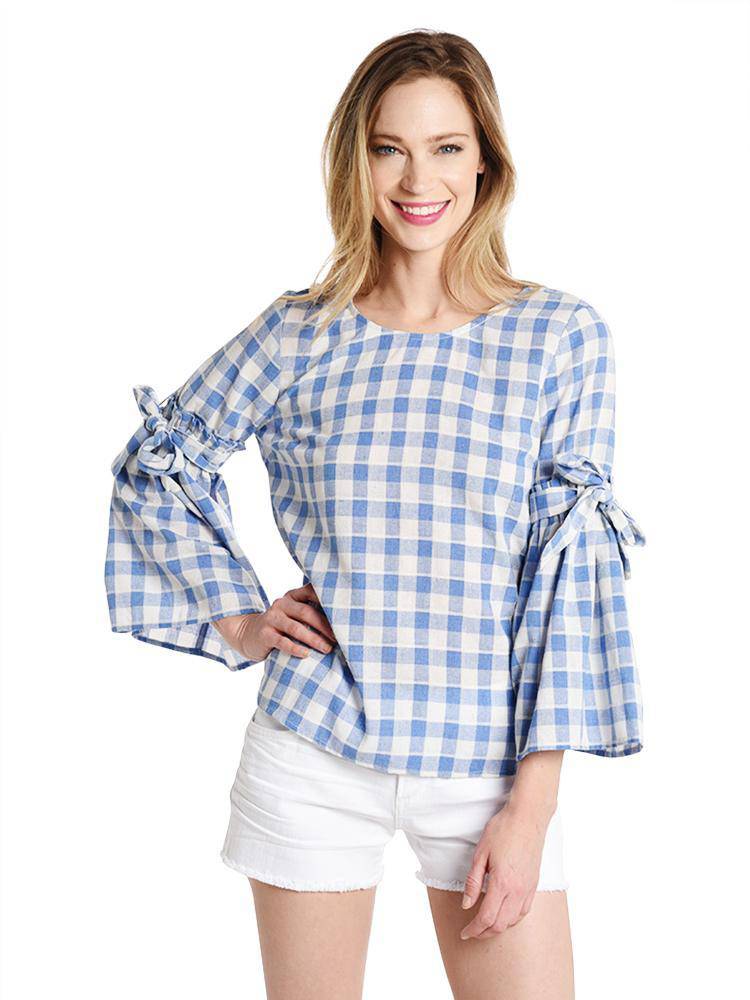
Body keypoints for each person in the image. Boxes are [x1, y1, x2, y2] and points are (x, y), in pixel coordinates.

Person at [104, 29, 646, 1000]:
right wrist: (240, 617)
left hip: (485, 765)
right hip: (315, 750)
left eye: (445, 146)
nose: (416, 179)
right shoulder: (300, 332)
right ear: (356, 161)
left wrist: (532, 807)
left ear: (485, 160)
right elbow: (161, 462)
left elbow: (568, 577)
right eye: (389, 147)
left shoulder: (559, 337)